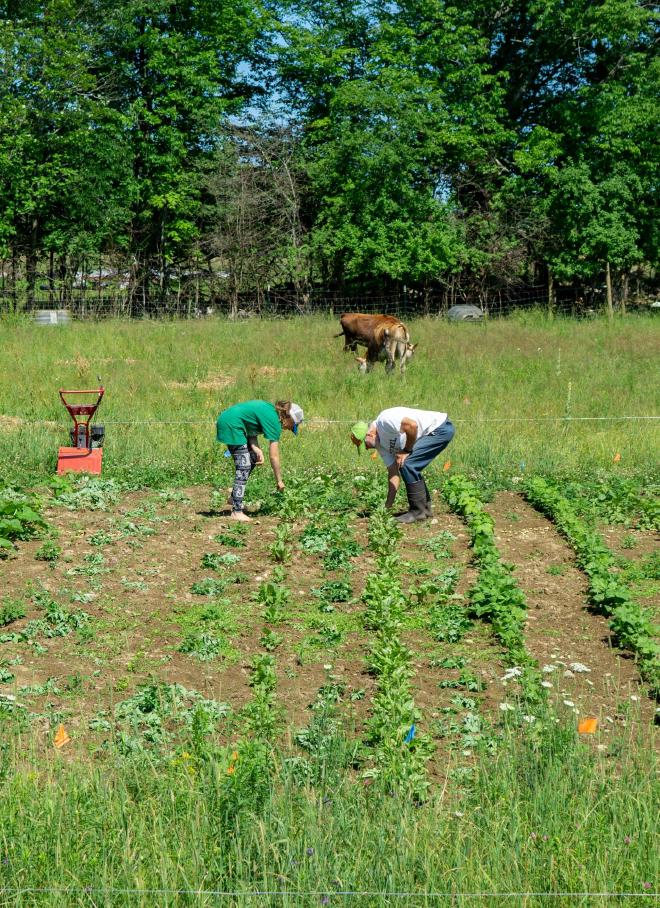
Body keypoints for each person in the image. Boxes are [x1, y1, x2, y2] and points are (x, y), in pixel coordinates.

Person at [350, 407, 454, 523]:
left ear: (369, 434)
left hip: (439, 428)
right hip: (433, 432)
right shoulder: (380, 444)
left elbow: (412, 426)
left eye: (365, 445)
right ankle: (425, 509)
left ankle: (418, 512)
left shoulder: (385, 420)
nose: (368, 448)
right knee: (405, 463)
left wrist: (406, 450)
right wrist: (387, 507)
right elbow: (393, 473)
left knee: (407, 463)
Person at [217, 399, 304, 521]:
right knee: (244, 465)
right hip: (231, 425)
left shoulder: (271, 412)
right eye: (292, 426)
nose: (290, 429)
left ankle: (234, 498)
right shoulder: (274, 421)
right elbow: (274, 456)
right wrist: (279, 480)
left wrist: (256, 448)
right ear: (288, 417)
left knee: (252, 458)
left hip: (235, 423)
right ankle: (236, 511)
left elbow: (250, 425)